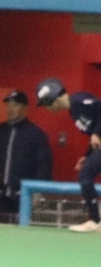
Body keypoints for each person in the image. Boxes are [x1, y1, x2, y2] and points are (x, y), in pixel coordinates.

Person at [36, 77, 101, 232]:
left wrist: (97, 133)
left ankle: (96, 221)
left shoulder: (78, 101)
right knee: (85, 173)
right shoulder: (73, 112)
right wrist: (87, 155)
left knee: (85, 175)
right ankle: (96, 220)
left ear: (53, 99)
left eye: (46, 104)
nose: (47, 109)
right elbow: (94, 137)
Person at [0, 90, 53, 221]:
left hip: (24, 195)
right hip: (0, 196)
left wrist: (38, 191)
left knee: (22, 229)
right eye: (8, 106)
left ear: (25, 108)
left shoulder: (36, 134)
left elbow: (44, 165)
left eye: (15, 105)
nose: (10, 109)